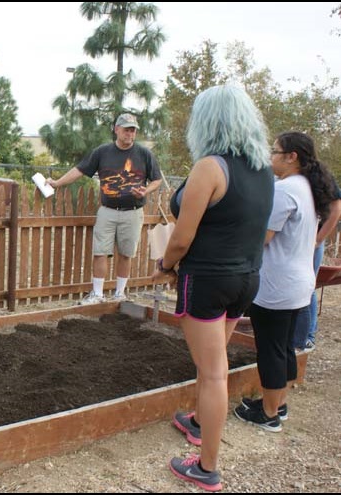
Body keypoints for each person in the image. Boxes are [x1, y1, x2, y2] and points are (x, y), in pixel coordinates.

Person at [153, 84, 274, 492]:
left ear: (206, 122)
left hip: (207, 280)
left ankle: (206, 467)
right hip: (245, 279)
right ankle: (200, 421)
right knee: (215, 361)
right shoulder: (263, 170)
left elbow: (183, 237)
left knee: (214, 373)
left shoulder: (210, 167)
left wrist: (164, 265)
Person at [234, 132, 336, 432]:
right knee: (285, 347)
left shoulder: (285, 190)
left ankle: (267, 415)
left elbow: (263, 238)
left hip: (276, 285)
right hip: (299, 282)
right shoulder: (308, 187)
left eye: (275, 152)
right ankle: (278, 402)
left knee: (270, 349)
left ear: (292, 157)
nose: (271, 157)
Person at [46, 113, 162, 304]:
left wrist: (146, 190)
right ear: (116, 129)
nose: (130, 134)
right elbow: (79, 170)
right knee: (100, 252)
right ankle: (98, 294)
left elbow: (157, 179)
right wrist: (57, 183)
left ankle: (119, 294)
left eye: (133, 130)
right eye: (126, 130)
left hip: (133, 212)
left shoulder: (144, 154)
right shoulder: (102, 152)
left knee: (126, 253)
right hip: (107, 211)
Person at [291, 177, 341, 351]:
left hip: (311, 239)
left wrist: (318, 240)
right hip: (292, 239)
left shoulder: (319, 175)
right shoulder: (285, 176)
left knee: (308, 287)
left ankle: (308, 336)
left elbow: (336, 207)